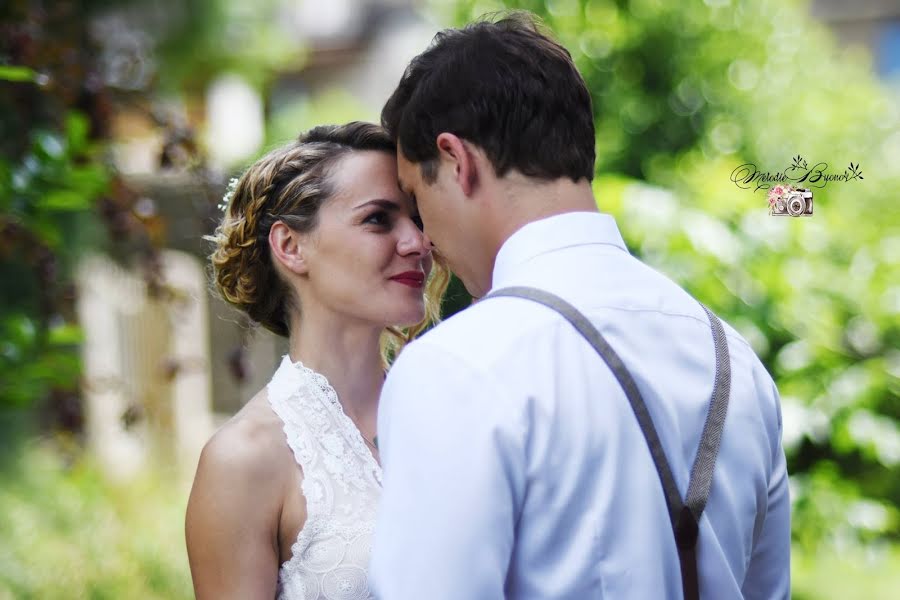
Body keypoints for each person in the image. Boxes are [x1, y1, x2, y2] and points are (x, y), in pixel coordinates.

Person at [370, 12, 790, 600]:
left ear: (457, 161)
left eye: (417, 200)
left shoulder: (456, 366)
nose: (425, 240)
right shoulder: (737, 361)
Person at [185, 122, 448, 599]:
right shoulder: (243, 460)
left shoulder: (456, 412)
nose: (417, 243)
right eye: (378, 219)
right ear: (291, 246)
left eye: (419, 220)